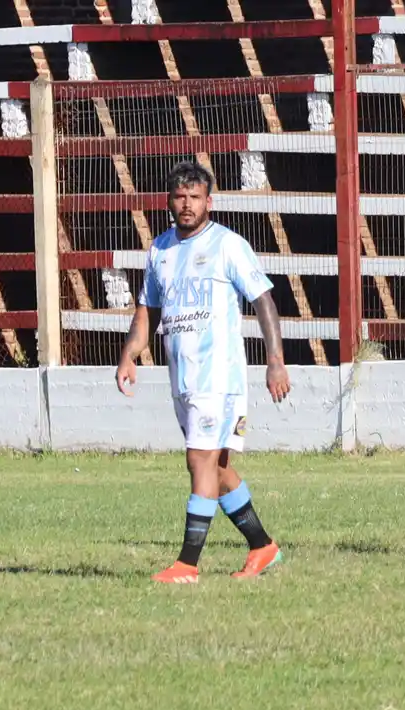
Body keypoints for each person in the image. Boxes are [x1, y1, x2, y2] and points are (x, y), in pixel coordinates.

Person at [115, 160, 290, 584]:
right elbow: (148, 310)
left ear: (208, 201)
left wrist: (275, 360)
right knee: (219, 469)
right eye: (180, 197)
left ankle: (187, 565)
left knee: (199, 461)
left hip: (218, 378)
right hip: (183, 379)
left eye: (195, 197)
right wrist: (129, 354)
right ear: (168, 201)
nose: (187, 204)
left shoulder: (228, 245)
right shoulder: (160, 250)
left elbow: (263, 300)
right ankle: (263, 547)